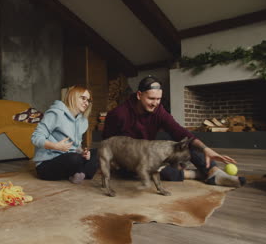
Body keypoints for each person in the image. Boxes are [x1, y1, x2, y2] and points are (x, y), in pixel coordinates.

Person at [103, 76, 246, 187]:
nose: (155, 103)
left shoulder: (158, 110)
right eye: (151, 98)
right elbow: (107, 142)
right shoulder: (119, 114)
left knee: (184, 143)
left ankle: (213, 172)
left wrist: (206, 149)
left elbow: (178, 131)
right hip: (129, 161)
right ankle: (196, 175)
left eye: (158, 99)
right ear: (139, 95)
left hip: (149, 151)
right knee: (149, 167)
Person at [31, 85, 99, 184]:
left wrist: (83, 153)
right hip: (47, 164)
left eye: (88, 100)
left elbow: (76, 147)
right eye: (83, 98)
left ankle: (79, 173)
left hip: (69, 159)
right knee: (75, 159)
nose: (86, 102)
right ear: (73, 96)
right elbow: (35, 137)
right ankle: (81, 172)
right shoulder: (55, 114)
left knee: (98, 152)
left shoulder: (83, 121)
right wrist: (55, 146)